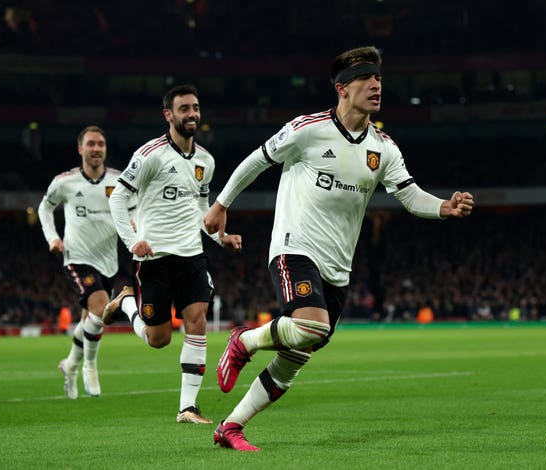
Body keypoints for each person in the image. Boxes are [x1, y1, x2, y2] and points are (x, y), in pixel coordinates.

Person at [203, 46, 475, 451]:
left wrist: (444, 208)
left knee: (300, 352)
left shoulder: (383, 148)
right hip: (295, 246)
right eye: (367, 78)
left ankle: (231, 426)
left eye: (379, 79)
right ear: (342, 88)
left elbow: (408, 194)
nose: (376, 85)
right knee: (313, 325)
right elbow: (257, 160)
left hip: (338, 266)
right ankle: (243, 341)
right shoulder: (308, 129)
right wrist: (222, 204)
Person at [102, 84, 242, 425]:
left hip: (192, 255)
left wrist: (220, 237)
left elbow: (201, 208)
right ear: (169, 115)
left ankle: (187, 407)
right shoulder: (150, 154)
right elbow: (117, 198)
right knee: (158, 339)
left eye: (195, 107)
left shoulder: (205, 161)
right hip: (154, 258)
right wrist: (133, 240)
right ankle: (126, 305)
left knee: (197, 319)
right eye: (184, 109)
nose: (192, 114)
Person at [38, 125, 127, 399]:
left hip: (108, 260)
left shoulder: (119, 180)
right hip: (77, 256)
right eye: (91, 144)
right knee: (101, 312)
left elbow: (132, 209)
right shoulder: (65, 182)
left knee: (90, 320)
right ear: (80, 149)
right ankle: (89, 365)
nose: (96, 148)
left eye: (100, 144)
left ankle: (70, 365)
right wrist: (52, 237)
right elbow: (44, 207)